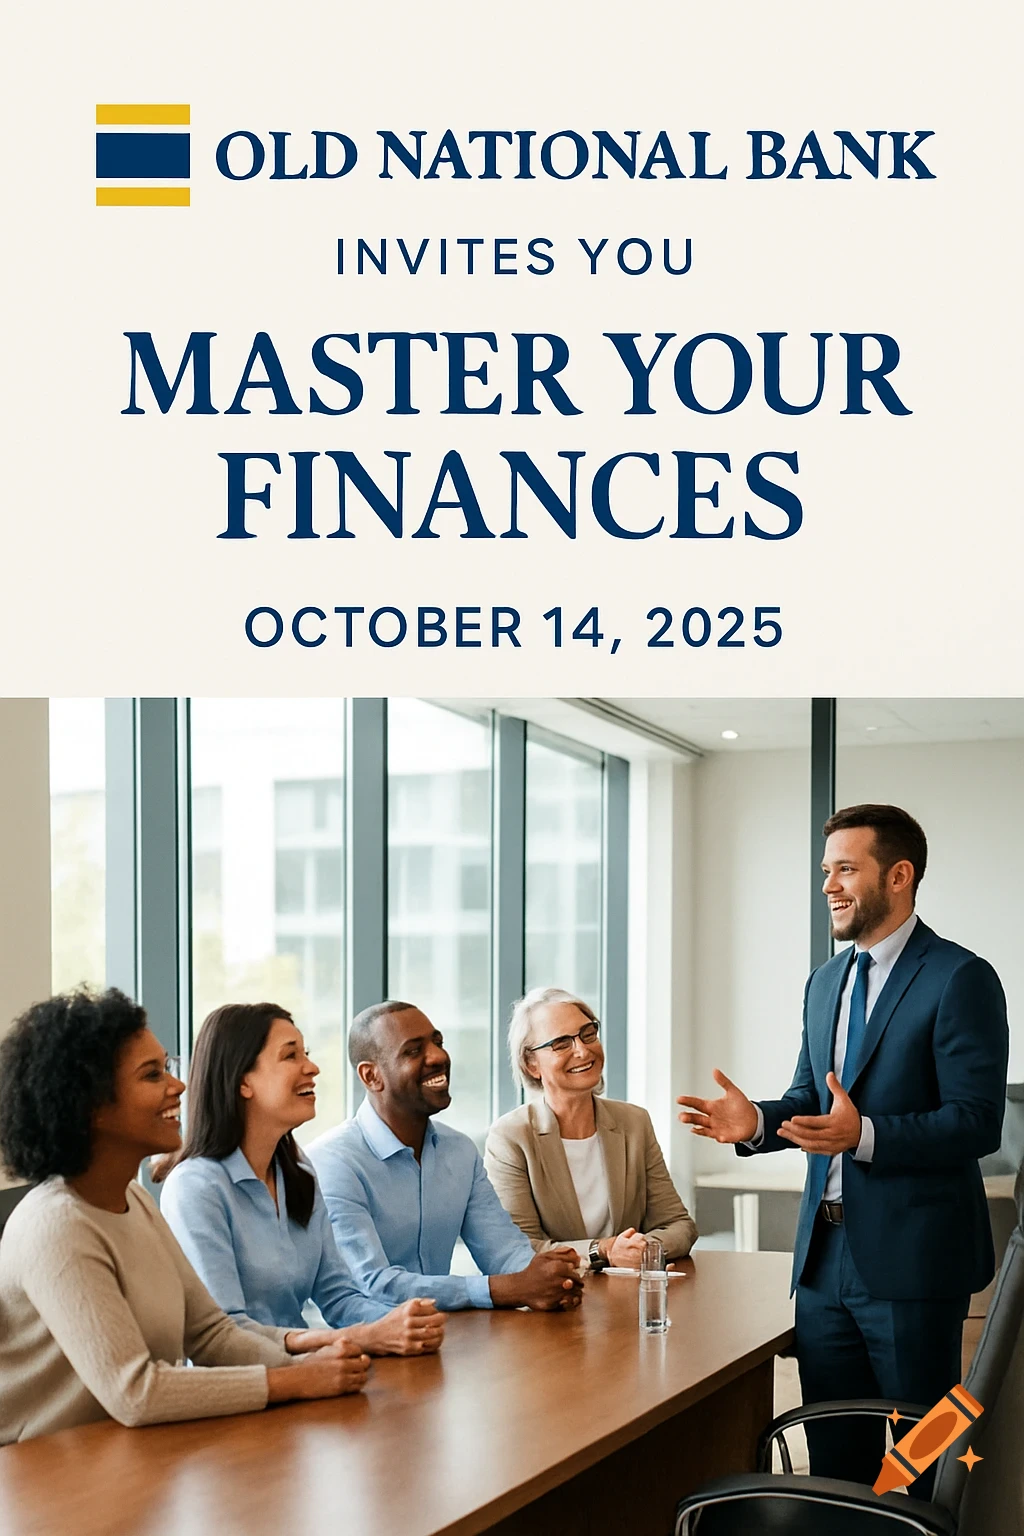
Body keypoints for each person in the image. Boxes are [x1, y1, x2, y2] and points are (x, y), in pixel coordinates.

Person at [676, 804, 1009, 1492]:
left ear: (899, 876)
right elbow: (812, 1098)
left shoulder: (960, 977)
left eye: (845, 870)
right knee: (835, 1456)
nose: (828, 885)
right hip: (824, 1267)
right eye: (825, 871)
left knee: (923, 1456)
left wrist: (866, 1136)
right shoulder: (826, 981)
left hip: (916, 1264)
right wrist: (759, 1124)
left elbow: (977, 1123)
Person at [0, 989, 371, 1446]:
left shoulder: (134, 1201)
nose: (178, 1086)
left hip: (127, 1462)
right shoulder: (55, 1225)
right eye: (152, 1075)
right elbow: (135, 1392)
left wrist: (304, 1365)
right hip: (48, 1485)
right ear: (91, 1105)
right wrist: (292, 1382)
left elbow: (211, 1335)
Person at [157, 1003, 445, 1358]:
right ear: (242, 1080)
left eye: (305, 1053)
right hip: (239, 1393)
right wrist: (360, 1339)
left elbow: (340, 1296)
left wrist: (400, 1323)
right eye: (290, 1056)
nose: (312, 1067)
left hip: (307, 1375)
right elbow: (225, 1333)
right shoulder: (196, 1188)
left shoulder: (299, 1171)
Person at [307, 1001, 584, 1312]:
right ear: (371, 1076)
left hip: (444, 1336)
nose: (438, 1056)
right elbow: (374, 1284)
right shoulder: (333, 1162)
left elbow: (504, 1252)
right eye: (413, 1051)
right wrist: (503, 1288)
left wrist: (552, 1276)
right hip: (357, 1348)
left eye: (437, 1042)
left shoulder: (459, 1151)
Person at [484, 987, 697, 1270]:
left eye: (588, 1034)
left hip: (627, 1298)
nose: (583, 1050)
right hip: (555, 1300)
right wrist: (604, 1251)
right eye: (561, 1043)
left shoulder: (634, 1122)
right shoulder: (511, 1137)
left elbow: (679, 1225)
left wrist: (641, 1250)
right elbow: (518, 1246)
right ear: (531, 1064)